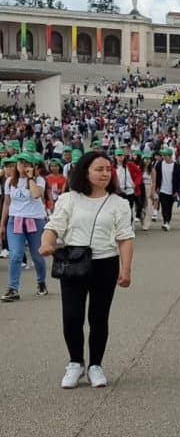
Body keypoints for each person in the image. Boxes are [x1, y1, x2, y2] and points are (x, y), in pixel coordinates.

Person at [39, 150, 134, 389]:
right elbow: (54, 226)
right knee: (72, 316)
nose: (104, 173)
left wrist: (126, 269)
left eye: (107, 169)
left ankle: (95, 366)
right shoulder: (69, 199)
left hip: (105, 263)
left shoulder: (119, 203)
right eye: (98, 169)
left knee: (98, 317)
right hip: (74, 261)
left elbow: (125, 238)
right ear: (85, 171)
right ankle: (75, 363)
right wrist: (47, 242)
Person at [3, 151, 49, 301]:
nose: (22, 165)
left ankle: (41, 282)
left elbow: (36, 195)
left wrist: (30, 178)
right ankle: (13, 288)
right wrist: (2, 224)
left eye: (26, 163)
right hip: (15, 220)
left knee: (37, 256)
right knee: (15, 254)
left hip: (35, 220)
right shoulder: (10, 181)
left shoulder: (39, 180)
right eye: (20, 163)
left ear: (32, 166)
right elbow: (7, 202)